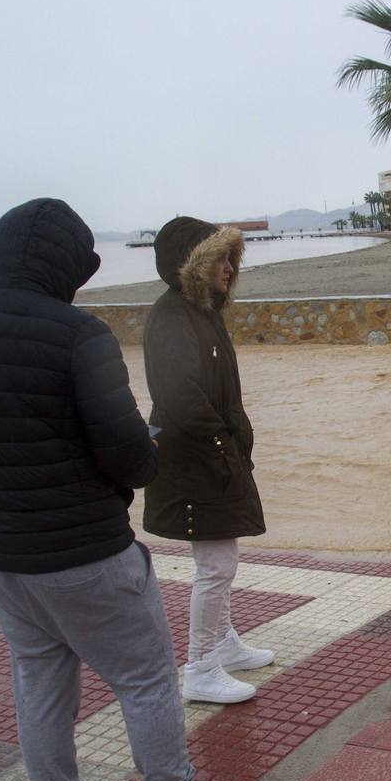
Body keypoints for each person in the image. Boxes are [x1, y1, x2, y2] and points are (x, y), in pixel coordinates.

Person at [0, 199, 245, 781]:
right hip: (90, 554)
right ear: (60, 264)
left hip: (1, 561)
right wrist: (137, 472)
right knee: (146, 681)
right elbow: (127, 451)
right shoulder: (77, 336)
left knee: (39, 685)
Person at [144, 216, 272, 704]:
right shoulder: (171, 317)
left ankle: (222, 643)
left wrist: (234, 442)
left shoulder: (201, 312)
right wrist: (222, 444)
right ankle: (200, 667)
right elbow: (180, 397)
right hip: (195, 458)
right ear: (192, 265)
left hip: (212, 454)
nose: (229, 267)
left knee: (222, 558)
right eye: (220, 258)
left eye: (231, 258)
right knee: (215, 565)